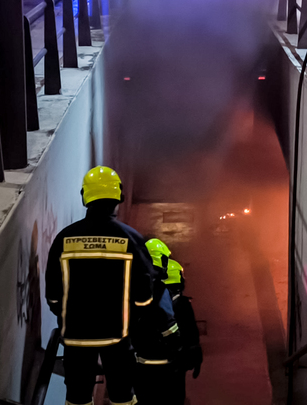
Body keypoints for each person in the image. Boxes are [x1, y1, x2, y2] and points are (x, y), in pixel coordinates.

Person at [45, 166, 156, 405]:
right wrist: (132, 318)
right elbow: (145, 294)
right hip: (117, 336)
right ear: (118, 197)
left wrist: (65, 315)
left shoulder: (64, 238)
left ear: (85, 196)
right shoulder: (130, 238)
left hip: (75, 336)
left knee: (77, 398)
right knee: (123, 397)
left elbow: (53, 294)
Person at [133, 239, 183, 405]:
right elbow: (169, 325)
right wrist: (178, 346)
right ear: (161, 260)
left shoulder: (132, 285)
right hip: (162, 364)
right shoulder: (159, 288)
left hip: (139, 363)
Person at [163, 258, 203, 401]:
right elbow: (190, 333)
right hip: (176, 363)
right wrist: (196, 354)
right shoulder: (181, 304)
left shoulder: (145, 301)